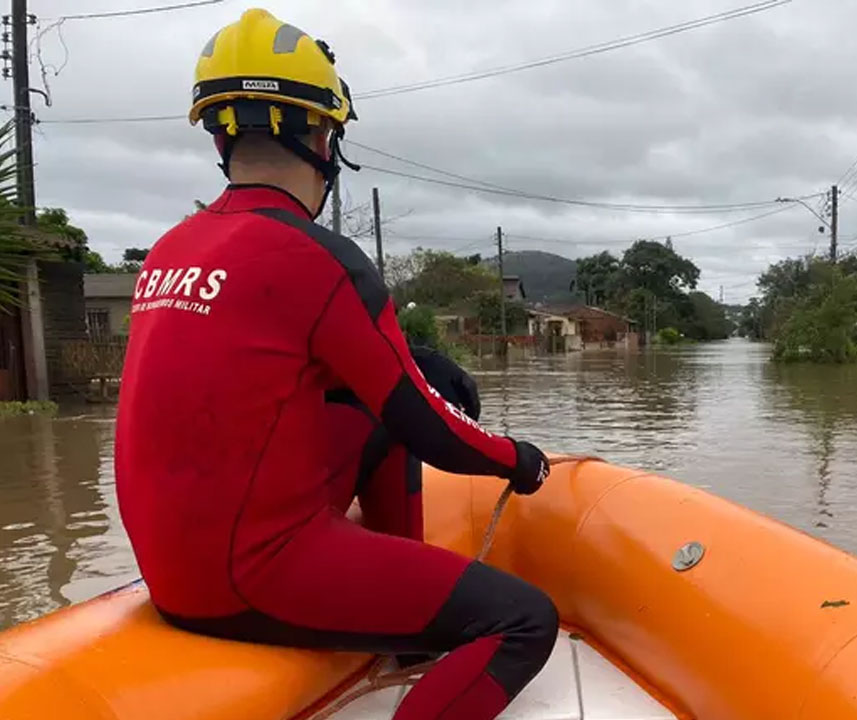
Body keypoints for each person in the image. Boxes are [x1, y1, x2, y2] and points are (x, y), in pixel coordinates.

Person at [114, 9, 557, 720]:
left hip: (169, 569)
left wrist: (420, 372)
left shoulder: (170, 249)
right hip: (251, 578)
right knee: (525, 620)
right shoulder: (321, 259)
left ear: (221, 135)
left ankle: (407, 637)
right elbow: (428, 425)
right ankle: (416, 624)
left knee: (402, 387)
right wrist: (519, 459)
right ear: (322, 136)